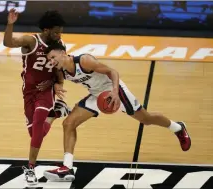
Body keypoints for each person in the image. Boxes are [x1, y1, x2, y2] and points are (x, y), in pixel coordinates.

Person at [41, 42, 192, 182]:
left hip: (114, 90)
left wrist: (114, 92)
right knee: (68, 123)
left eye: (53, 57)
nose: (52, 61)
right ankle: (67, 168)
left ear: (63, 52)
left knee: (146, 119)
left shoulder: (84, 61)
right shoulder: (59, 70)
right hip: (96, 95)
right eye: (49, 59)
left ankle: (178, 128)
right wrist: (56, 86)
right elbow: (59, 80)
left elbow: (112, 71)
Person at [3, 9, 70, 186]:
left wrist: (56, 84)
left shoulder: (59, 44)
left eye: (60, 32)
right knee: (35, 133)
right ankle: (55, 115)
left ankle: (30, 167)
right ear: (46, 30)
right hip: (29, 92)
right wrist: (10, 24)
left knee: (39, 119)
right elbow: (8, 42)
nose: (59, 35)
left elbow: (59, 69)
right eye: (56, 31)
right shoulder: (31, 41)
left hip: (46, 90)